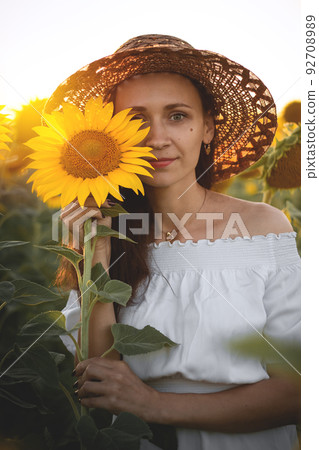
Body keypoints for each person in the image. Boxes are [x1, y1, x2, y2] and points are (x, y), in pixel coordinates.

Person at [54, 35, 300, 449]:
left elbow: (298, 389)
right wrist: (96, 256)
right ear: (111, 136)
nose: (156, 137)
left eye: (177, 115)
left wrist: (154, 404)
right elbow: (96, 382)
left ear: (207, 127)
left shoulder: (264, 225)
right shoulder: (104, 232)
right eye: (135, 119)